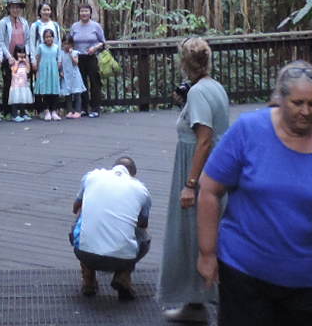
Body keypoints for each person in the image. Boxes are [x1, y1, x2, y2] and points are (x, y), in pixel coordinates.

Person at [194, 61, 312, 323]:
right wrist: (207, 253)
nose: (305, 111)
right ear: (281, 97)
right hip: (245, 271)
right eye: (297, 103)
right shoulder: (249, 130)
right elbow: (209, 190)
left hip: (309, 278)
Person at [158, 37, 231, 322]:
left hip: (199, 170)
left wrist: (191, 185)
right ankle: (194, 303)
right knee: (196, 234)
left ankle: (217, 304)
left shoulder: (200, 92)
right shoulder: (214, 87)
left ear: (184, 63)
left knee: (196, 234)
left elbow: (204, 139)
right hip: (214, 167)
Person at [70, 155, 151, 300]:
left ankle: (89, 279)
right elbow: (143, 224)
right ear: (133, 175)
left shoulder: (92, 176)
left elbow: (76, 208)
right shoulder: (141, 189)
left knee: (80, 222)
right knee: (144, 236)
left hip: (84, 253)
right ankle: (123, 275)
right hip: (122, 258)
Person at [68, 2, 107, 116]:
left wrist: (95, 48)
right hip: (78, 58)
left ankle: (95, 108)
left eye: (86, 11)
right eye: (82, 11)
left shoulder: (96, 26)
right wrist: (70, 52)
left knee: (95, 83)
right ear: (79, 13)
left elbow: (103, 42)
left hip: (91, 57)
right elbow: (70, 42)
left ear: (90, 13)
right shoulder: (74, 26)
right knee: (81, 83)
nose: (84, 13)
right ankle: (83, 108)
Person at [31, 26, 65, 121]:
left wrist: (58, 69)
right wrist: (37, 71)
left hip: (53, 71)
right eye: (46, 37)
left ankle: (54, 111)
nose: (48, 38)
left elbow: (59, 60)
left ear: (53, 38)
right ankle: (46, 111)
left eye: (50, 36)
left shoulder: (56, 47)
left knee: (54, 92)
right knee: (44, 92)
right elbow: (38, 58)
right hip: (43, 71)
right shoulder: (41, 47)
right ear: (43, 38)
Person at [59, 35, 86, 118]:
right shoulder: (61, 53)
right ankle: (70, 110)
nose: (66, 46)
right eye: (65, 44)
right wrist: (60, 71)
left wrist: (71, 54)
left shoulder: (74, 52)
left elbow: (75, 63)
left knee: (77, 93)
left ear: (72, 45)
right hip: (66, 76)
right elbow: (60, 64)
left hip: (74, 76)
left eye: (68, 44)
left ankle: (78, 110)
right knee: (68, 94)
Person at [7, 45, 36, 121]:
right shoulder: (13, 60)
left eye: (23, 53)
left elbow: (28, 71)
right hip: (16, 84)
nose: (21, 55)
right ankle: (14, 114)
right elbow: (14, 70)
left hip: (24, 84)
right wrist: (18, 62)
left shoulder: (26, 60)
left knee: (23, 99)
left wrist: (26, 63)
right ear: (16, 53)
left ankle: (23, 113)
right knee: (15, 99)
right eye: (19, 52)